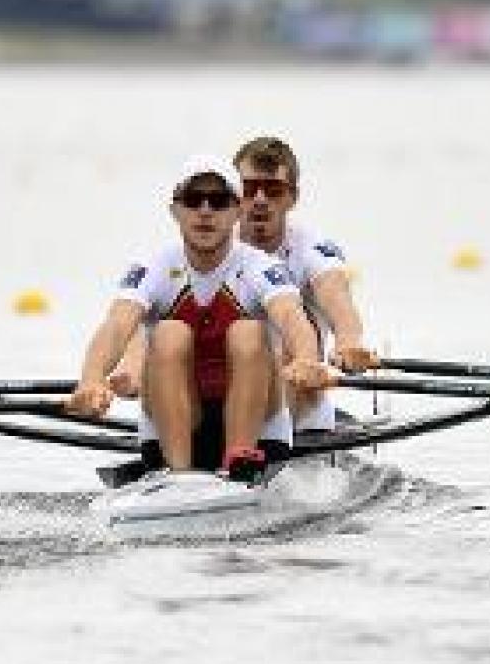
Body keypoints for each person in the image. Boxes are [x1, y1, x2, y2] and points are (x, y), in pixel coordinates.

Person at [66, 157, 331, 480]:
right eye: (193, 200)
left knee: (248, 331)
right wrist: (91, 379)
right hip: (174, 424)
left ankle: (239, 460)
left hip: (259, 429)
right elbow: (117, 324)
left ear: (237, 211)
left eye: (218, 202)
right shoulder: (153, 267)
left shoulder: (260, 267)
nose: (205, 211)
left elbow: (292, 316)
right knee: (168, 332)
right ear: (175, 211)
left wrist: (306, 359)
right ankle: (178, 476)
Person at [109, 136, 376, 435]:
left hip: (294, 412)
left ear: (292, 198)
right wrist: (131, 364)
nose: (260, 200)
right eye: (249, 189)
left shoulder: (312, 251)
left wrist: (348, 343)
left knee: (274, 348)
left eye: (273, 190)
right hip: (218, 407)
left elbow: (339, 301)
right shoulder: (201, 245)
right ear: (235, 196)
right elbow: (140, 314)